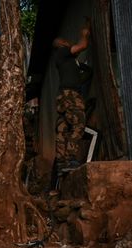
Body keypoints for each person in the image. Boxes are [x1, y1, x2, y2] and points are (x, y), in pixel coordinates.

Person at [53, 18, 92, 177]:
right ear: (61, 44)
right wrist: (84, 33)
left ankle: (61, 163)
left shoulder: (71, 62)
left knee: (62, 129)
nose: (68, 42)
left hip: (64, 95)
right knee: (78, 125)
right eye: (65, 41)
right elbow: (82, 45)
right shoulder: (61, 53)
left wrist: (79, 78)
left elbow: (88, 72)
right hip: (70, 95)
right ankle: (70, 160)